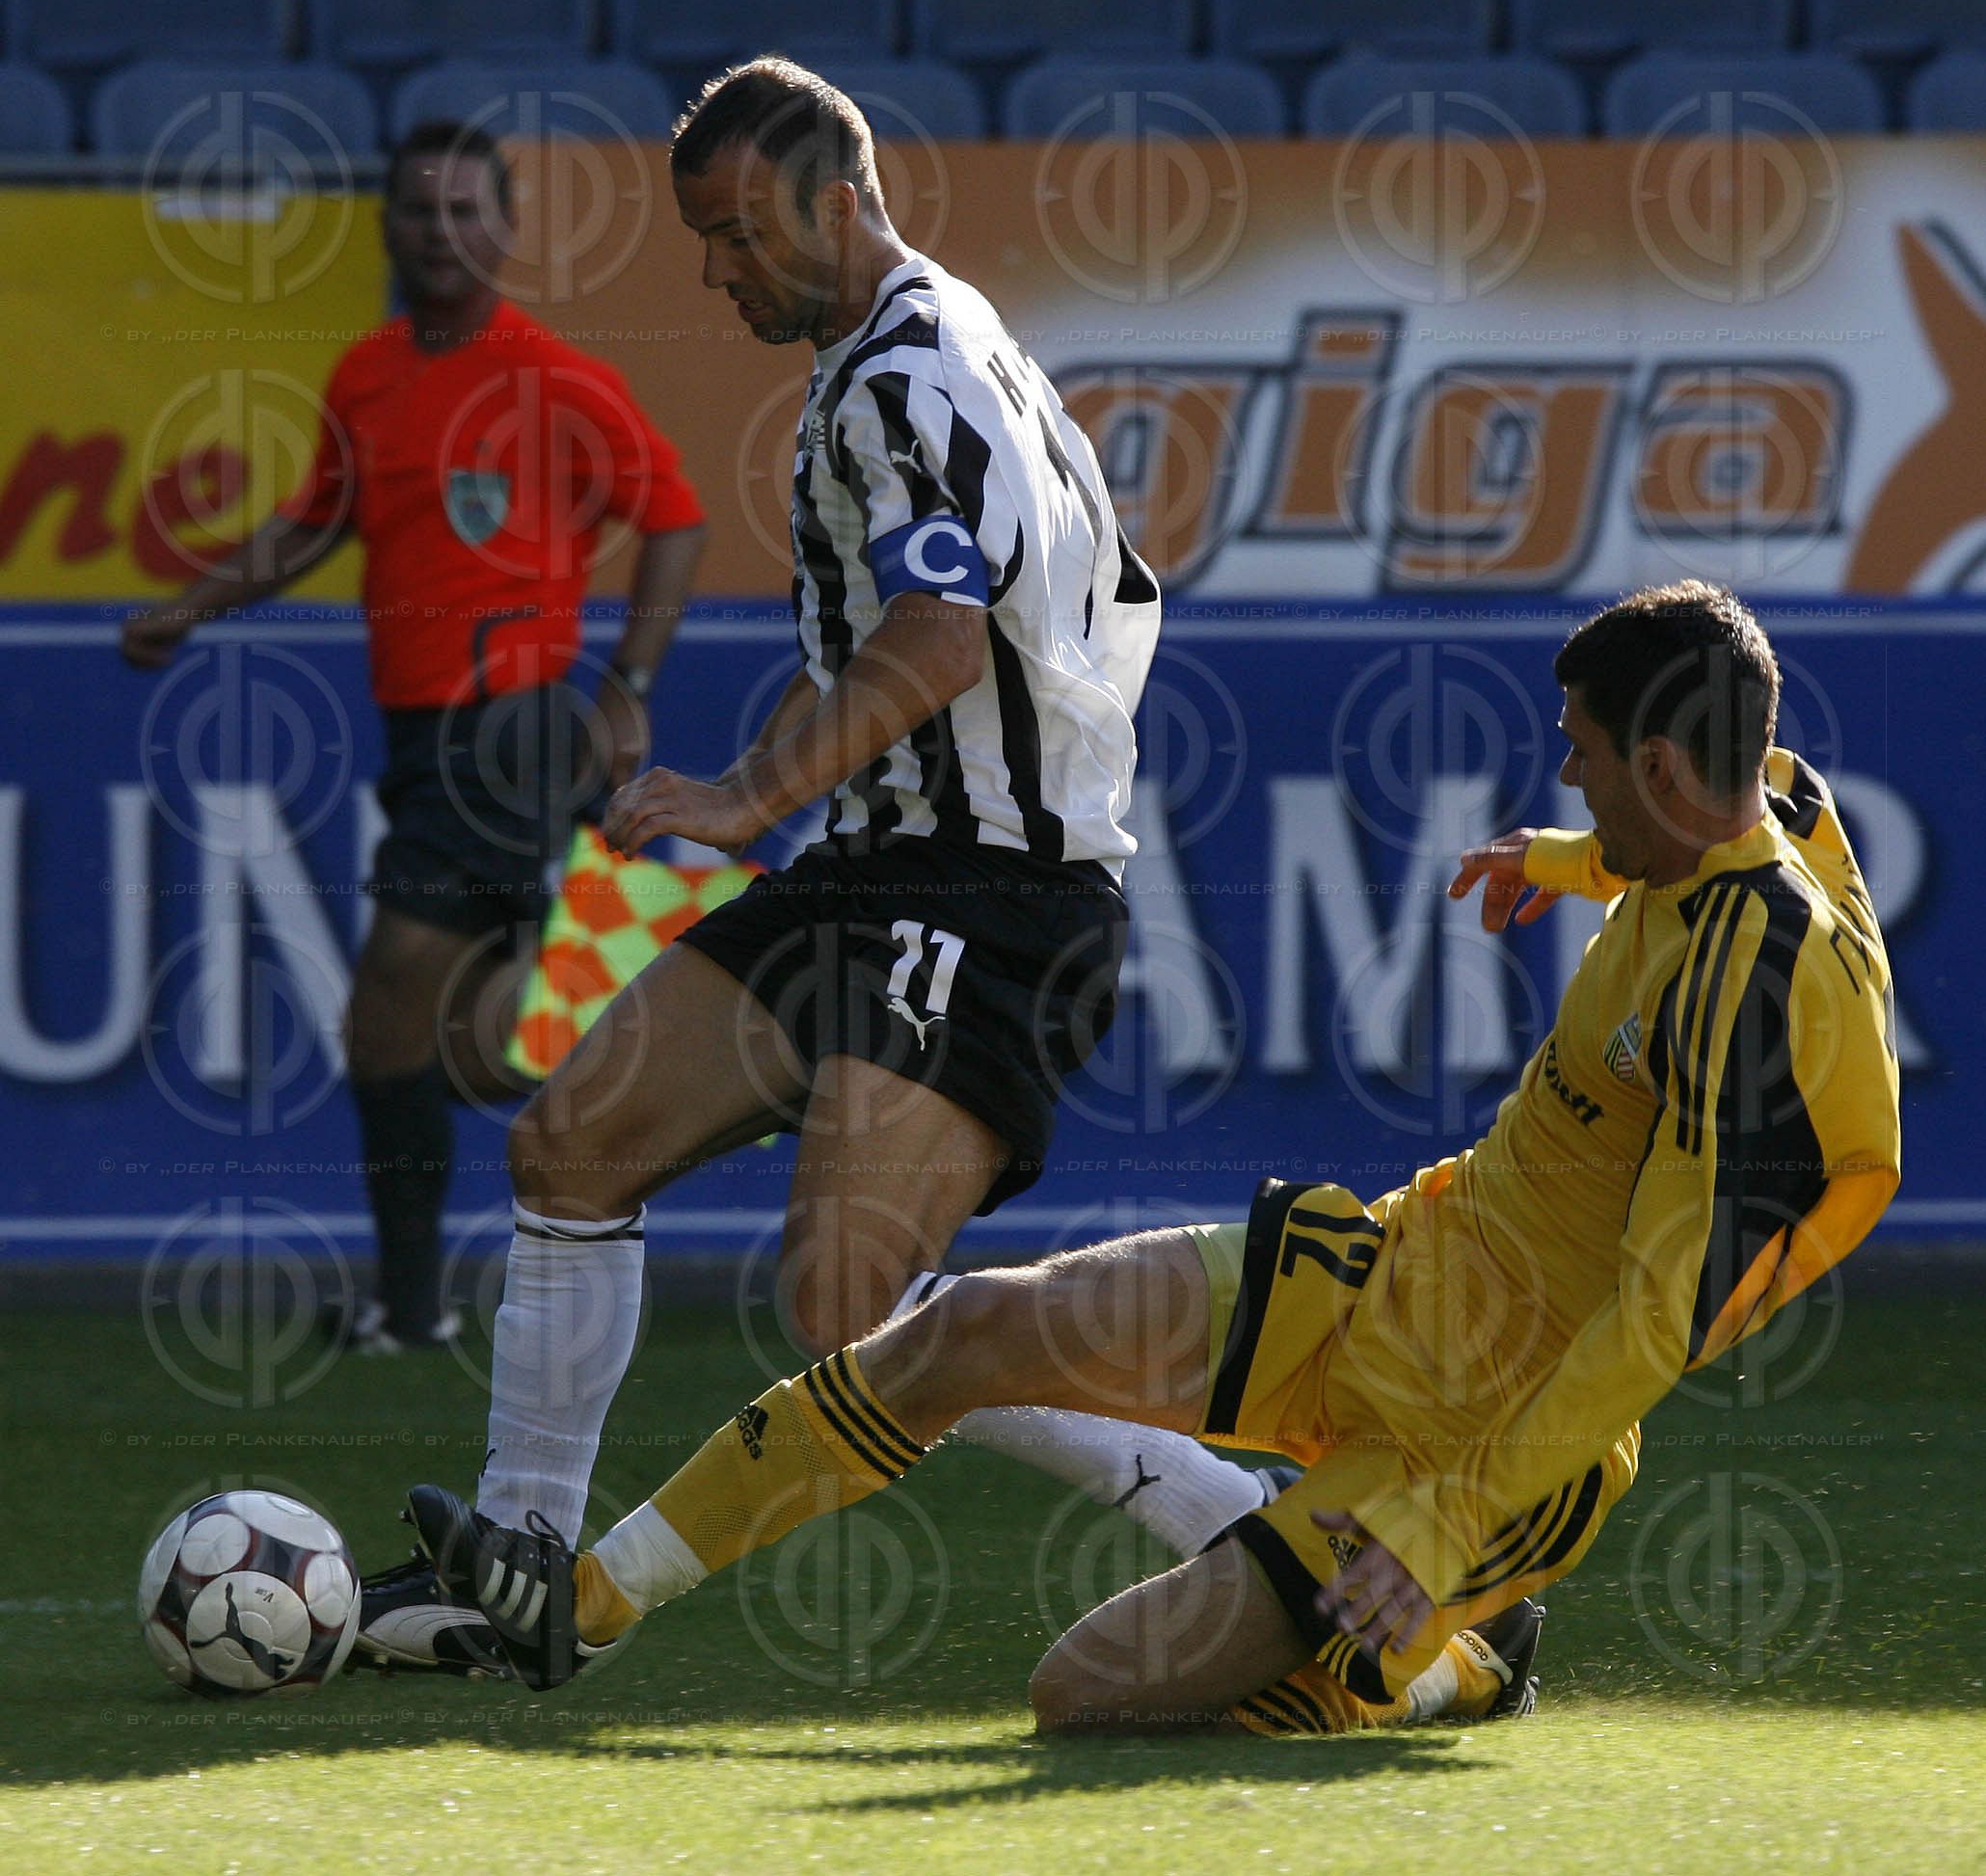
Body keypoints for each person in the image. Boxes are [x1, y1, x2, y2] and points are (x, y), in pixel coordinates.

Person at [407, 583, 1902, 1732]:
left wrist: (1444, 1521)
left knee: (1083, 1695)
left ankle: (1450, 1659)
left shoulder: (1766, 979)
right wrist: (1568, 859)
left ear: (1655, 760)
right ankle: (587, 1601)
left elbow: (1657, 1315)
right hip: (1398, 1267)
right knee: (966, 1328)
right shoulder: (1750, 809)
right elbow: (1754, 793)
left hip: (1483, 1448)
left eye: (1580, 764)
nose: (1562, 778)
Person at [397, 56, 1292, 1676]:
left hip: (988, 889)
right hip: (882, 872)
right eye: (702, 240)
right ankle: (520, 1561)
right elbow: (924, 630)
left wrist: (745, 794)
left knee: (852, 1318)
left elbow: (943, 637)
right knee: (571, 1143)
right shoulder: (943, 344)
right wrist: (776, 799)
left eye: (741, 233)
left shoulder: (905, 378)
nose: (719, 269)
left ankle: (1240, 1525)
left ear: (841, 198)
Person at [121, 121, 707, 1665]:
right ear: (388, 224)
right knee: (463, 1042)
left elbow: (674, 512)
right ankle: (652, 1010)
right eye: (417, 205)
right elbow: (316, 520)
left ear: (503, 231)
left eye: (465, 207)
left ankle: (414, 1297)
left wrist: (629, 685)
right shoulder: (372, 377)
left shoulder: (553, 374)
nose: (440, 227)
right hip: (426, 737)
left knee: (392, 1003)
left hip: (509, 726)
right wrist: (194, 602)